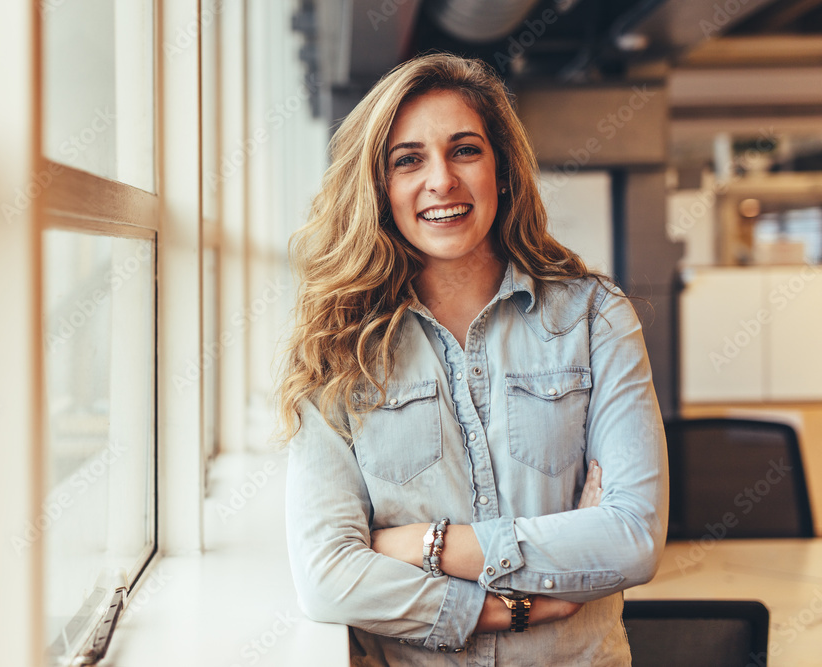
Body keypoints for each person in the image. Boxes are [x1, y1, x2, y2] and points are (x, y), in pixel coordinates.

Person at [279, 53, 668, 666]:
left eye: (465, 150)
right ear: (377, 187)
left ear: (503, 171)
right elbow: (327, 576)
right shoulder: (338, 350)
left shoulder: (595, 319)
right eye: (408, 159)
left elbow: (632, 540)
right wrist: (518, 604)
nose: (441, 180)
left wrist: (425, 544)